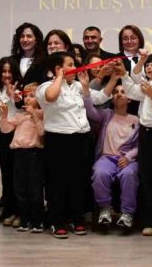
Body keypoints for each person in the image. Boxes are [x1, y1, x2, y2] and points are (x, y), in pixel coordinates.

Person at [35, 51, 113, 239]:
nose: (75, 68)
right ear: (58, 68)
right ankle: (56, 221)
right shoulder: (45, 87)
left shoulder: (78, 85)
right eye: (70, 64)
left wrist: (114, 79)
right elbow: (51, 97)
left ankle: (76, 218)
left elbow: (100, 98)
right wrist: (60, 77)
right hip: (58, 139)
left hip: (80, 138)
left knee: (78, 181)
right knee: (57, 182)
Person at [122, 52, 152, 237]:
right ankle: (148, 220)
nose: (149, 68)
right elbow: (131, 90)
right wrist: (123, 74)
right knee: (146, 177)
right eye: (148, 65)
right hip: (145, 134)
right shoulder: (147, 85)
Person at [87, 82, 140, 231]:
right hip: (107, 157)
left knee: (129, 175)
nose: (119, 94)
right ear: (111, 97)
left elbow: (140, 145)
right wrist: (85, 88)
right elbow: (89, 110)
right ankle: (105, 209)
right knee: (99, 172)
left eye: (123, 92)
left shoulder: (136, 120)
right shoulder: (106, 115)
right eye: (116, 92)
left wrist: (129, 157)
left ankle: (127, 214)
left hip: (128, 160)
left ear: (129, 98)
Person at [0, 83, 45, 233]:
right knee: (20, 188)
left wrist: (33, 115)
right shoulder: (21, 116)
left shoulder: (42, 114)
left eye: (32, 96)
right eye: (26, 96)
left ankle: (38, 221)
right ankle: (25, 220)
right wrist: (4, 115)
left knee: (35, 189)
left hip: (34, 154)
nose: (27, 99)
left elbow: (42, 132)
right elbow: (5, 129)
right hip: (19, 154)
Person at [0, 57, 22, 225]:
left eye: (10, 71)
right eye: (3, 71)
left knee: (19, 174)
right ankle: (9, 209)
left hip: (19, 134)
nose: (7, 75)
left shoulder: (21, 88)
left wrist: (15, 97)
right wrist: (6, 97)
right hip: (0, 136)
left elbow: (23, 109)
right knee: (6, 174)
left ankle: (20, 211)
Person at [10, 22, 47, 88]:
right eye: (22, 36)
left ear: (36, 40)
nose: (25, 39)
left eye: (29, 36)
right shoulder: (12, 60)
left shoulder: (44, 61)